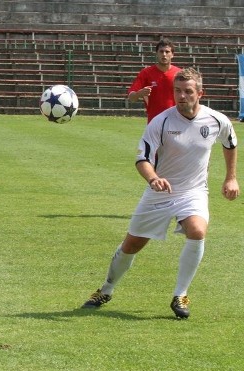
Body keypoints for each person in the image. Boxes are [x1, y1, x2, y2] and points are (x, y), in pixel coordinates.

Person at [82, 68, 239, 319]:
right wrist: (153, 178)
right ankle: (106, 289)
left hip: (194, 191)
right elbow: (142, 158)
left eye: (188, 91)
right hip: (160, 193)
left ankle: (181, 294)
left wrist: (231, 178)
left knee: (197, 231)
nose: (181, 96)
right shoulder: (162, 121)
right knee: (131, 245)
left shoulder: (216, 120)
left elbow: (230, 143)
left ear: (200, 93)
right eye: (177, 91)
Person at [127, 38, 181, 123]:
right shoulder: (146, 73)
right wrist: (139, 94)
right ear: (157, 54)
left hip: (176, 121)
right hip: (154, 122)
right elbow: (131, 97)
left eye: (167, 52)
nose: (164, 54)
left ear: (172, 54)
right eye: (161, 51)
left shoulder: (179, 74)